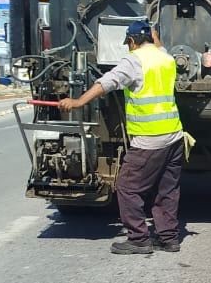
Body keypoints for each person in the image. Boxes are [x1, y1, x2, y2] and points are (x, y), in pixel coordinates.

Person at [58, 21, 185, 255]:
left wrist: (77, 102)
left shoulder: (134, 61)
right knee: (166, 190)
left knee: (127, 187)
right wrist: (154, 32)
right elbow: (159, 46)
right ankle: (169, 239)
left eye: (128, 42)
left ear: (132, 41)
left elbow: (106, 82)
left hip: (149, 139)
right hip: (174, 136)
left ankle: (138, 239)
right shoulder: (166, 58)